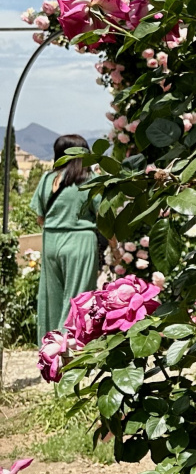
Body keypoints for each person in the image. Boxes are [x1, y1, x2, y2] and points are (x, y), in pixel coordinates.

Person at [31, 134, 100, 344]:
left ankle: (50, 346)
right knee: (78, 297)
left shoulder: (46, 179)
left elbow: (39, 217)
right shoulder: (89, 180)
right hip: (80, 241)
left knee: (52, 297)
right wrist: (115, 248)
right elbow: (104, 215)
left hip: (51, 240)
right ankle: (69, 348)